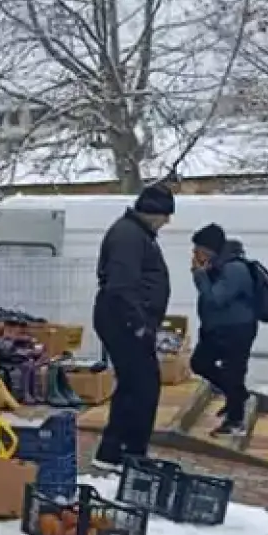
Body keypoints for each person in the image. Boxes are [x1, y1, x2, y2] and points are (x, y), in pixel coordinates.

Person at [92, 184, 175, 470]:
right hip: (122, 320)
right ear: (153, 212)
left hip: (125, 319)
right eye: (165, 215)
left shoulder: (136, 234)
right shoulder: (129, 236)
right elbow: (121, 285)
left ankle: (116, 451)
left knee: (134, 385)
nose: (167, 221)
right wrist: (138, 323)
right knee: (142, 386)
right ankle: (128, 451)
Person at [189, 223, 257, 436]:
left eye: (197, 249)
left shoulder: (234, 268)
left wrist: (199, 275)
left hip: (236, 329)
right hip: (217, 329)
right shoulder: (219, 265)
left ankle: (235, 420)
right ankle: (236, 395)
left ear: (209, 249)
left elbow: (215, 299)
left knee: (233, 371)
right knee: (199, 363)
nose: (193, 254)